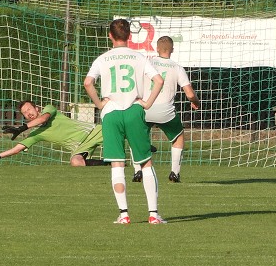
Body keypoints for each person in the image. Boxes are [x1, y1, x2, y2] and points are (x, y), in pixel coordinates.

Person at [84, 18, 166, 225]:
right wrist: (147, 103)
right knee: (145, 162)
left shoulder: (102, 59)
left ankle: (124, 215)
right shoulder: (140, 57)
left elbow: (88, 83)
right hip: (133, 111)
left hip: (111, 113)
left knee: (117, 164)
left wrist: (100, 104)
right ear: (130, 36)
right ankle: (153, 215)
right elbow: (159, 80)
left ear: (110, 36)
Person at [132, 35, 201, 183]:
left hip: (145, 108)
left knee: (135, 136)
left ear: (156, 48)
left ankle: (138, 171)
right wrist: (196, 101)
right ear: (172, 50)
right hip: (165, 112)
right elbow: (189, 94)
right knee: (178, 137)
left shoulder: (146, 63)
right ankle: (174, 173)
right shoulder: (177, 68)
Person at [0, 100, 108, 167]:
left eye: (29, 109)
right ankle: (108, 164)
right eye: (25, 113)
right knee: (75, 162)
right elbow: (17, 149)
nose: (29, 113)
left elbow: (43, 118)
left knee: (121, 133)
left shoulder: (49, 109)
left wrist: (21, 128)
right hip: (80, 146)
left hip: (92, 131)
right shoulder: (37, 133)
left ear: (37, 108)